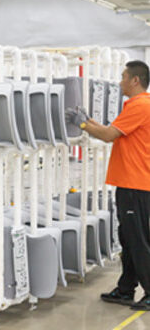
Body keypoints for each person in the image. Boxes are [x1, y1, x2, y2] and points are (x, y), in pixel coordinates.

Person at [67, 60, 150, 311]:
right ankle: (125, 289)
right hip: (130, 183)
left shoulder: (141, 105)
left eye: (123, 77)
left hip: (136, 184)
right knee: (128, 239)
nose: (120, 81)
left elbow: (107, 135)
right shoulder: (137, 105)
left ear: (135, 80)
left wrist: (82, 124)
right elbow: (112, 130)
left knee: (138, 241)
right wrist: (88, 120)